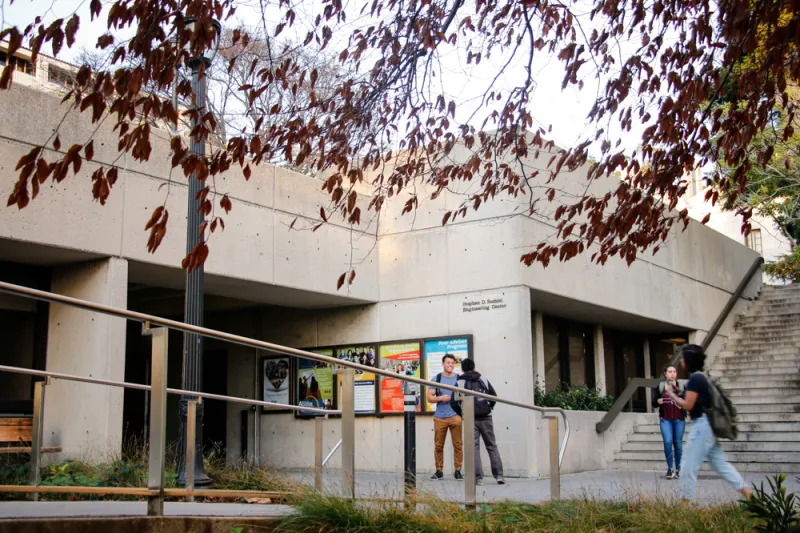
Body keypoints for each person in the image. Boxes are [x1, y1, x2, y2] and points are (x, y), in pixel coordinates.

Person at [666, 344, 752, 502]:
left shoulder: (695, 379)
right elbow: (696, 399)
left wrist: (673, 396)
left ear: (689, 360)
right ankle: (748, 494)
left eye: (684, 357)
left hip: (702, 427)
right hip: (708, 427)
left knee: (687, 466)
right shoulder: (701, 376)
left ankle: (686, 504)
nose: (682, 361)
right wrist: (681, 393)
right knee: (720, 464)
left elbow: (688, 405)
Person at [457, 358, 505, 485]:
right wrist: (489, 408)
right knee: (491, 446)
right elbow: (493, 396)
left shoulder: (460, 382)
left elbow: (453, 402)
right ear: (474, 367)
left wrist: (461, 413)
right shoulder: (483, 379)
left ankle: (478, 478)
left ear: (462, 369)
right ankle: (499, 475)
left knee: (474, 448)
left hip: (470, 418)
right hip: (486, 417)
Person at [427, 354, 463, 480]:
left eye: (452, 363)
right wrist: (441, 398)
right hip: (440, 417)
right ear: (443, 364)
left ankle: (458, 470)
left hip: (455, 416)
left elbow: (465, 397)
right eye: (448, 363)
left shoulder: (459, 379)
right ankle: (439, 470)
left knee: (458, 445)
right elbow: (429, 397)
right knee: (438, 445)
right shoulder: (436, 379)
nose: (451, 365)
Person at [652, 363, 685, 479]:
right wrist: (658, 401)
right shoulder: (660, 386)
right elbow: (654, 402)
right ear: (665, 374)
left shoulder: (681, 385)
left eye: (674, 371)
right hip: (665, 419)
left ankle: (679, 470)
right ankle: (670, 469)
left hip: (679, 419)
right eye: (670, 372)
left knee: (678, 444)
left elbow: (686, 401)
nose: (673, 374)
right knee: (667, 442)